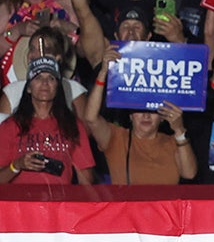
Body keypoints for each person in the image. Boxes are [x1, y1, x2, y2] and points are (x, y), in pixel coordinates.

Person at [83, 56, 198, 185]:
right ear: (130, 115)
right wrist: (103, 72)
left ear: (162, 118)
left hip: (165, 206)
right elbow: (90, 118)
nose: (146, 116)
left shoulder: (173, 142)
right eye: (140, 109)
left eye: (152, 111)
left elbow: (189, 173)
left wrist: (179, 131)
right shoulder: (116, 138)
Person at [0, 53, 95, 184]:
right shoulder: (10, 126)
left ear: (58, 87)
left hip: (60, 202)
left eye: (51, 78)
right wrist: (17, 165)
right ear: (28, 87)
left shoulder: (72, 125)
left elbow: (86, 180)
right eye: (38, 78)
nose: (44, 83)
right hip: (21, 203)